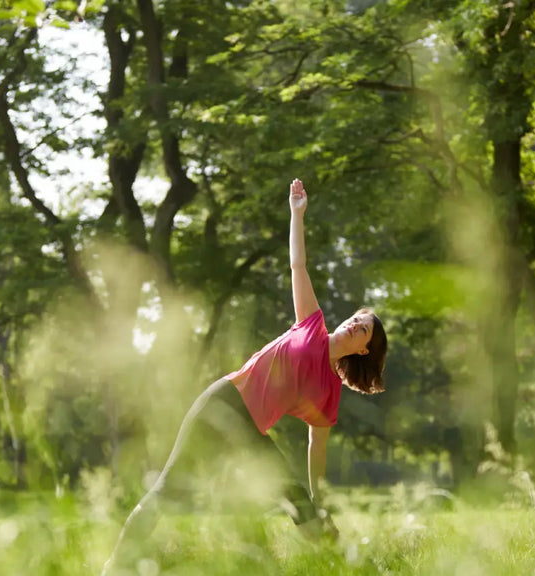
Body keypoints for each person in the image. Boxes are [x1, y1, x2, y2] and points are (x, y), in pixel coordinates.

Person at [102, 178, 388, 575]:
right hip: (221, 403)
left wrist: (320, 501)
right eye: (357, 319)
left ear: (363, 350)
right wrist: (296, 213)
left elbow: (315, 448)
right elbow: (298, 264)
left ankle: (349, 568)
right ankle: (112, 568)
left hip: (252, 430)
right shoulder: (311, 323)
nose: (356, 325)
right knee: (165, 493)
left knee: (300, 503)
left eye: (364, 330)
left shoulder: (328, 392)